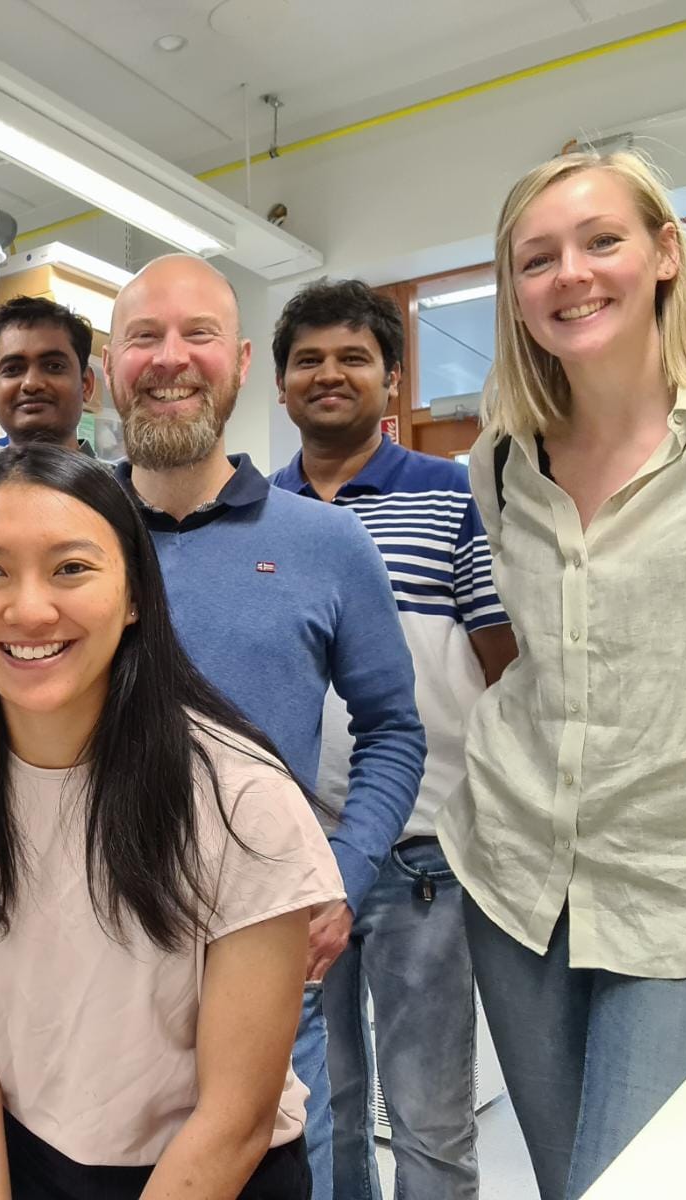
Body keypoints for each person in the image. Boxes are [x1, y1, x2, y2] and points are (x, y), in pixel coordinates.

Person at [0, 445, 345, 1199]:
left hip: (214, 1173)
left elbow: (235, 1117)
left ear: (135, 594)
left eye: (71, 568)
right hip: (24, 1163)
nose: (29, 609)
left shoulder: (241, 799)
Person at [441, 150, 686, 1200]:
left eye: (601, 240)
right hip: (514, 878)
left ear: (664, 252)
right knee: (561, 1184)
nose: (569, 275)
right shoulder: (500, 457)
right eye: (536, 259)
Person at [104, 254, 427, 1200]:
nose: (171, 360)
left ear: (243, 363)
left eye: (197, 334)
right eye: (143, 337)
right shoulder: (64, 529)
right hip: (82, 964)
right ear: (106, 368)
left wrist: (339, 873)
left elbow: (394, 729)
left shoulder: (325, 543)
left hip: (261, 968)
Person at [269, 279, 518, 1200]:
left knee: (429, 1120)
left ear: (391, 377)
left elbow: (506, 671)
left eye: (353, 358)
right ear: (283, 382)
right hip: (291, 861)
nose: (329, 374)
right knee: (318, 1108)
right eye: (309, 360)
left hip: (422, 861)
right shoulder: (259, 509)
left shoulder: (455, 497)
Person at [0, 295, 97, 504]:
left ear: (86, 384)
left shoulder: (125, 498)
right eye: (13, 369)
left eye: (54, 366)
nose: (31, 383)